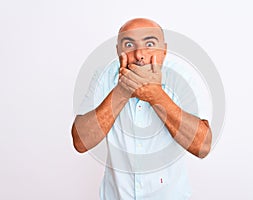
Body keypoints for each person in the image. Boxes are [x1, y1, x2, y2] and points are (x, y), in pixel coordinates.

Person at [71, 18, 212, 199]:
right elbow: (80, 142)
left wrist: (156, 96)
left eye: (150, 44)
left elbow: (202, 147)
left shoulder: (183, 78)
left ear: (164, 50)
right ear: (118, 51)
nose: (139, 55)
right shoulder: (104, 76)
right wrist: (122, 91)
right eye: (129, 44)